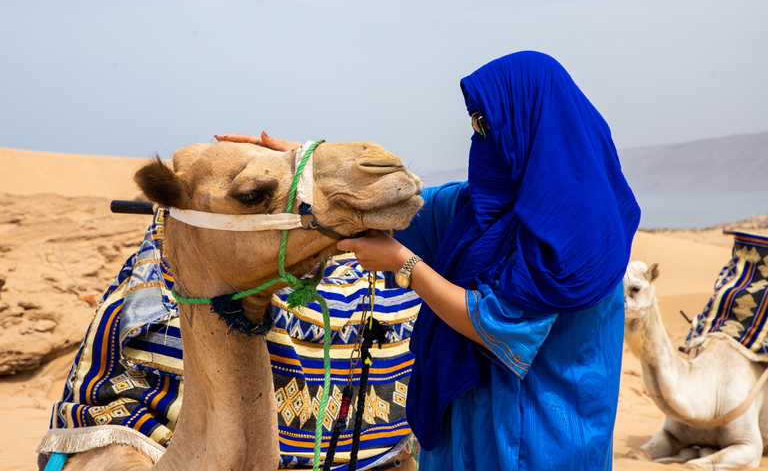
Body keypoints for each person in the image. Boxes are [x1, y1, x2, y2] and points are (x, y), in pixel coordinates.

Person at [217, 50, 641, 470]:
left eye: (485, 124)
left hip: (545, 440)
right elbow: (399, 207)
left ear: (530, 123)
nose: (478, 138)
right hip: (471, 434)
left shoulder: (582, 233)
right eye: (474, 124)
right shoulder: (482, 209)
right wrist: (302, 162)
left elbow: (502, 326)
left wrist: (404, 265)